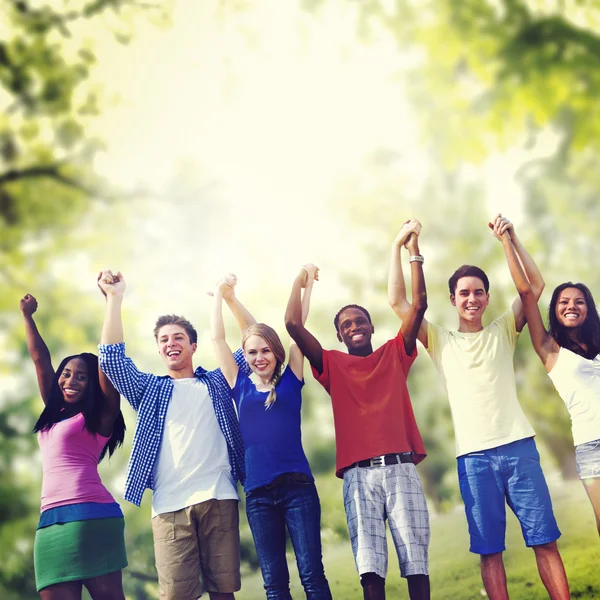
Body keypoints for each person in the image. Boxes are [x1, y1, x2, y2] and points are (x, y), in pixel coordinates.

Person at [390, 215, 570, 600]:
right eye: (464, 293)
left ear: (487, 298)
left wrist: (511, 238)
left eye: (479, 292)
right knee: (490, 552)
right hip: (473, 460)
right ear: (453, 299)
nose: (472, 299)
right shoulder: (440, 340)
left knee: (544, 540)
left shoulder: (503, 330)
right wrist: (403, 250)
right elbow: (399, 302)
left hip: (519, 448)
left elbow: (534, 287)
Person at [285, 223, 431, 600]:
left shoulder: (395, 353)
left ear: (371, 326)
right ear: (339, 335)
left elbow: (419, 306)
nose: (354, 327)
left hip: (401, 469)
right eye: (346, 324)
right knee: (370, 570)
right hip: (359, 478)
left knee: (416, 563)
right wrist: (301, 281)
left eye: (360, 320)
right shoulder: (331, 365)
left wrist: (410, 250)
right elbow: (292, 324)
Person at [97, 269, 255, 600]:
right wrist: (114, 298)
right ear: (158, 350)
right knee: (177, 596)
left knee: (223, 592)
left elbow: (255, 340)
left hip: (218, 496)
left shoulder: (217, 381)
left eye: (178, 337)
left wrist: (229, 298)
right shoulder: (149, 390)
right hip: (169, 505)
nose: (171, 343)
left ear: (193, 345)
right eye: (164, 339)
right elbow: (112, 360)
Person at [211, 267, 332, 600]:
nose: (259, 357)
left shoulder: (292, 376)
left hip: (298, 489)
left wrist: (303, 285)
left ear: (276, 352)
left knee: (312, 575)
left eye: (265, 350)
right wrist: (220, 295)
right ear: (245, 357)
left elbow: (298, 328)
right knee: (275, 584)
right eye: (252, 352)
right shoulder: (238, 384)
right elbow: (218, 339)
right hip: (259, 495)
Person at [20, 293, 127, 600]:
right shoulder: (54, 413)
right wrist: (28, 317)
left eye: (82, 377)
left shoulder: (99, 417)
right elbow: (41, 359)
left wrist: (111, 303)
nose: (70, 380)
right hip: (50, 522)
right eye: (66, 374)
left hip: (92, 516)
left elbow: (109, 361)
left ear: (93, 384)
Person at [497, 219, 600, 536]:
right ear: (555, 309)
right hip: (591, 442)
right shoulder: (549, 348)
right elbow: (527, 291)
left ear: (588, 309)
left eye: (579, 301)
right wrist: (509, 240)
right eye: (564, 302)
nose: (572, 306)